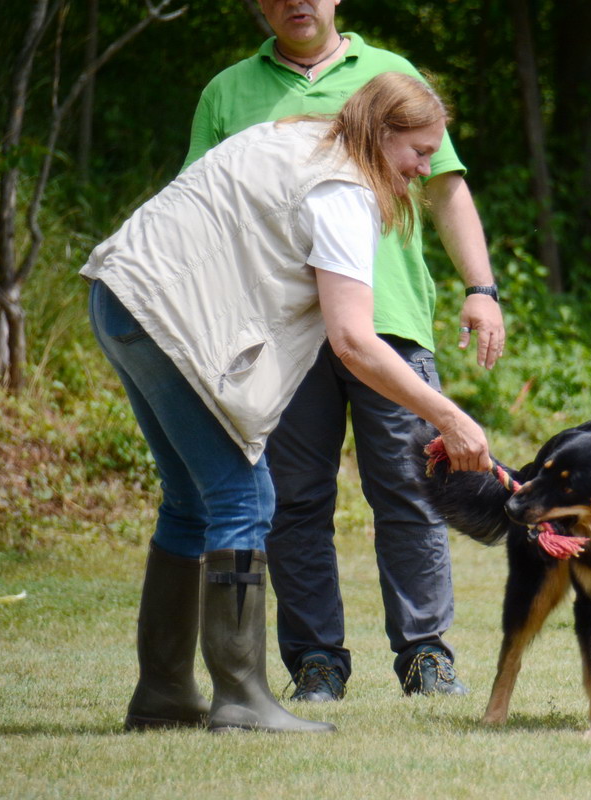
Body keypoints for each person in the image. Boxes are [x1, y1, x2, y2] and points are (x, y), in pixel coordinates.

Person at [84, 73, 492, 733]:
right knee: (245, 500)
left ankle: (163, 696)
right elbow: (354, 341)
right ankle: (241, 700)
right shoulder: (341, 191)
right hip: (158, 312)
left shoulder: (304, 140)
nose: (426, 167)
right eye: (418, 150)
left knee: (190, 504)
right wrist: (448, 414)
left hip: (121, 295)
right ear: (381, 135)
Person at [181, 0, 503, 700]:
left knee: (413, 491)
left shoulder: (390, 76)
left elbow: (445, 188)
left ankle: (425, 653)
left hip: (386, 322)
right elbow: (202, 211)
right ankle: (316, 661)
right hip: (281, 331)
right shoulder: (226, 92)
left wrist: (482, 287)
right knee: (294, 501)